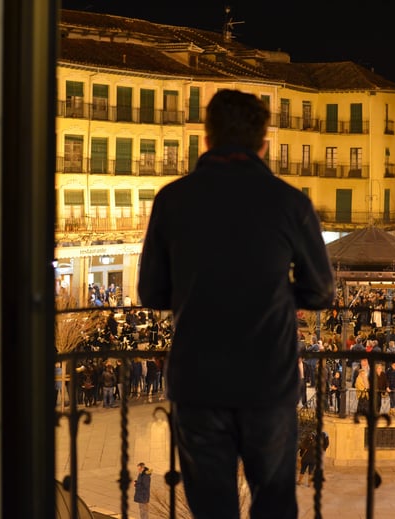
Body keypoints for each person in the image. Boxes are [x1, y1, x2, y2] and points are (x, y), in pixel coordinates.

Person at [138, 89, 335, 519]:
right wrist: (275, 295)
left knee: (211, 506)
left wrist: (199, 291)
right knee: (274, 502)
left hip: (199, 381)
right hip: (267, 379)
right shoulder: (289, 202)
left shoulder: (172, 200)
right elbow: (321, 290)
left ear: (206, 139)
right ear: (264, 142)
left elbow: (151, 293)